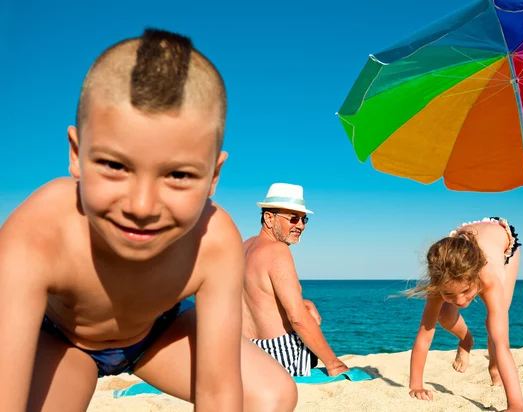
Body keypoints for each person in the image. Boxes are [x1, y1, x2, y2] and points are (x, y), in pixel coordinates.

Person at [0, 28, 297, 412]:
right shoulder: (38, 231)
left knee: (273, 394)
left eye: (179, 175)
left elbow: (218, 391)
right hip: (62, 339)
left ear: (213, 177)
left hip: (157, 336)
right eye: (114, 165)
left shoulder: (215, 240)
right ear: (76, 154)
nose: (142, 206)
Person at [407, 217, 523, 412]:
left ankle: (494, 368)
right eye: (449, 294)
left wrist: (516, 405)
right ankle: (466, 340)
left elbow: (502, 344)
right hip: (462, 245)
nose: (461, 301)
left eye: (466, 291)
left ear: (476, 278)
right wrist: (416, 385)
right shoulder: (440, 280)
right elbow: (425, 334)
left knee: (496, 325)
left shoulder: (489, 279)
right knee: (444, 315)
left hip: (503, 241)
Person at [242, 183, 349, 377]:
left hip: (246, 353)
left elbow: (258, 297)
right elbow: (297, 319)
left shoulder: (243, 248)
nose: (300, 225)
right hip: (279, 356)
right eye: (293, 218)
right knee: (306, 318)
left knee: (304, 307)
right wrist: (334, 364)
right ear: (268, 218)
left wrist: (303, 302)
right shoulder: (277, 250)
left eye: (303, 219)